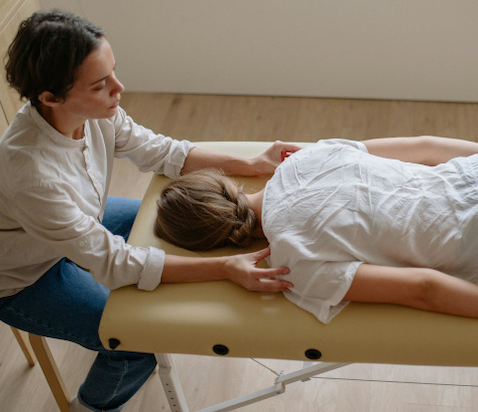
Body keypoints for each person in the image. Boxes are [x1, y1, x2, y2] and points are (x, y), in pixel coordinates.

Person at [0, 9, 299, 412]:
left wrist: (252, 164)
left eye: (114, 72)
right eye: (101, 84)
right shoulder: (31, 176)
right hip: (24, 277)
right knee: (138, 341)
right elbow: (116, 262)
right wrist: (225, 267)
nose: (119, 87)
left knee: (179, 223)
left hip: (76, 227)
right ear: (50, 97)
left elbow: (160, 151)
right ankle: (90, 406)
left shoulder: (93, 114)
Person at [155, 136, 478, 324]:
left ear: (214, 241)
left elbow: (424, 288)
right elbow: (428, 146)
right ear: (224, 182)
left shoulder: (294, 266)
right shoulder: (307, 155)